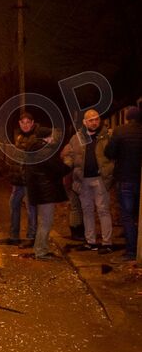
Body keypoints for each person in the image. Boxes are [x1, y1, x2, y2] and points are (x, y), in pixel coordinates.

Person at [62, 109, 114, 254]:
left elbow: (114, 155)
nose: (94, 122)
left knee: (103, 210)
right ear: (85, 122)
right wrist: (67, 164)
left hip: (100, 180)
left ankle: (107, 243)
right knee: (87, 211)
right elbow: (69, 155)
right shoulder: (77, 138)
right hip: (83, 180)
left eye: (96, 119)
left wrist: (110, 170)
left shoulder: (106, 136)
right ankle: (90, 241)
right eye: (90, 120)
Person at [25, 128, 71, 260]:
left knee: (43, 221)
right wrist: (68, 163)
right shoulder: (45, 151)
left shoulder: (33, 149)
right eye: (51, 136)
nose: (53, 139)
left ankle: (41, 248)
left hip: (37, 190)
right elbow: (58, 169)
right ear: (47, 137)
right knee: (46, 222)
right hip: (46, 191)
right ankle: (41, 251)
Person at [104, 106, 142, 262]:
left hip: (125, 178)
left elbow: (109, 153)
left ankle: (131, 251)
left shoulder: (120, 131)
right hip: (140, 178)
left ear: (127, 117)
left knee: (127, 215)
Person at [0, 112, 38, 246]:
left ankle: (32, 237)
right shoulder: (19, 136)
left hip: (29, 179)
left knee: (31, 208)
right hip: (18, 180)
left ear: (32, 123)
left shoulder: (35, 136)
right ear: (19, 124)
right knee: (13, 205)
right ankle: (14, 236)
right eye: (23, 122)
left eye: (28, 122)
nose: (25, 125)